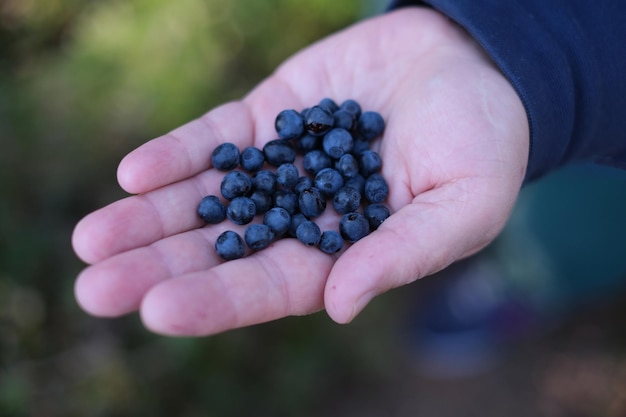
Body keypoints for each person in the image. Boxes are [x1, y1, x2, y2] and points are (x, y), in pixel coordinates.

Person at [71, 1, 626, 337]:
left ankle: (528, 285)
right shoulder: (298, 168)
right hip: (440, 21)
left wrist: (553, 63)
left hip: (604, 172)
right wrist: (476, 27)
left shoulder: (327, 167)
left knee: (573, 233)